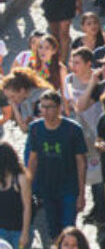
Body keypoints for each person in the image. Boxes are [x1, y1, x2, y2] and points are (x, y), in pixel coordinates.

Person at [25, 90, 86, 238]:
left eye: (49, 107)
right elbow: (33, 159)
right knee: (52, 230)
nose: (45, 111)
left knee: (68, 229)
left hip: (69, 188)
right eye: (42, 107)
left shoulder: (73, 129)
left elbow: (81, 162)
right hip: (45, 188)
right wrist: (28, 187)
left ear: (59, 108)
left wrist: (82, 194)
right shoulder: (35, 129)